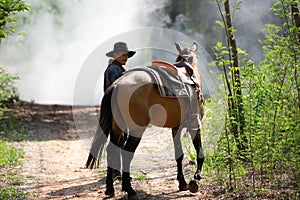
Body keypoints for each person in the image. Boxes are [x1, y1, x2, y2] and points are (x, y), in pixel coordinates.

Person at [103, 42, 135, 185]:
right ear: (115, 54)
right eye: (122, 54)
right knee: (118, 139)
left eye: (126, 55)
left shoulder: (117, 68)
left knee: (119, 139)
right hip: (117, 108)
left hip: (116, 107)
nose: (125, 57)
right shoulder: (114, 70)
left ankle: (116, 170)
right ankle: (116, 170)